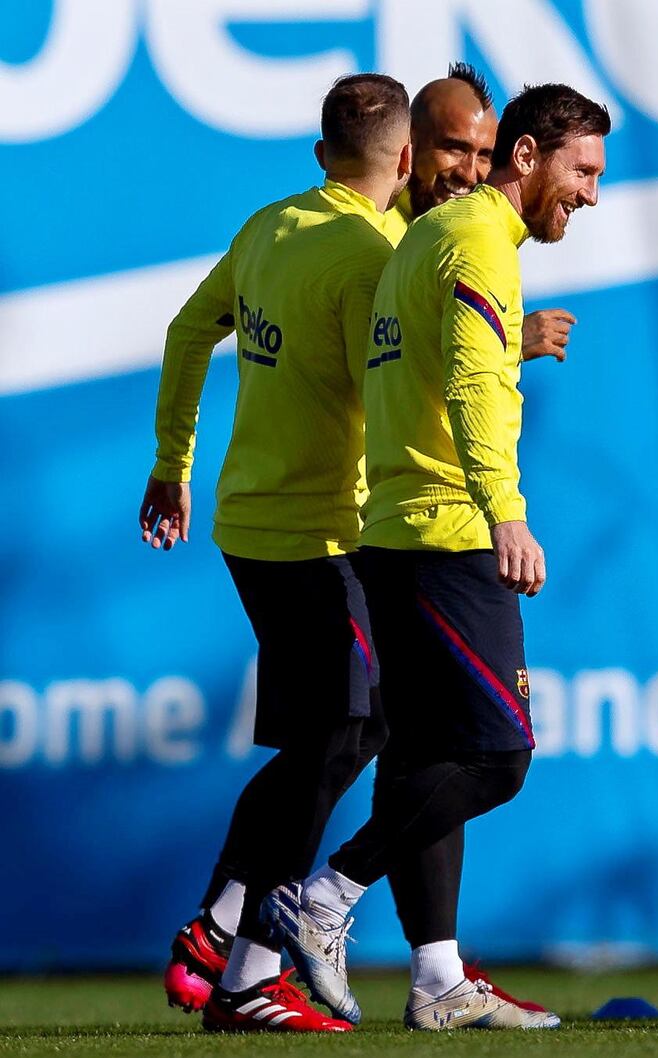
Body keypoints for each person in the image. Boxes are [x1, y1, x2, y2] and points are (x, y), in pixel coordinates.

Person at [266, 82, 610, 1032]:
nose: (589, 195)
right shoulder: (477, 242)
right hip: (447, 535)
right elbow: (463, 382)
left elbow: (436, 361)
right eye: (580, 171)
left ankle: (437, 980)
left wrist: (511, 356)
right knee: (499, 758)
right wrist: (507, 513)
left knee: (423, 763)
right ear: (529, 156)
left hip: (397, 534)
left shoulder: (432, 233)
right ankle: (324, 898)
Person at [139, 73, 411, 1033]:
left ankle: (233, 947)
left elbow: (186, 333)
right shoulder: (377, 254)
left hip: (246, 525)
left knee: (335, 737)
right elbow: (386, 400)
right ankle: (232, 945)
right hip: (323, 531)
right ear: (411, 160)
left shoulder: (270, 226)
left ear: (319, 152)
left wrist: (171, 464)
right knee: (348, 736)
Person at [387, 62, 578, 364]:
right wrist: (509, 339)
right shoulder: (376, 235)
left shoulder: (472, 235)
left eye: (484, 156)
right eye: (454, 148)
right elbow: (377, 361)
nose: (469, 173)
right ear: (408, 146)